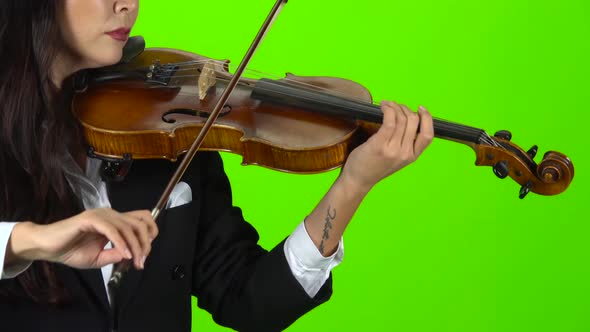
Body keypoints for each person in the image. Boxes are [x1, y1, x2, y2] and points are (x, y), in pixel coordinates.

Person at [0, 1, 433, 331]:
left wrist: (353, 184)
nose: (128, 5)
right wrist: (25, 240)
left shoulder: (168, 128)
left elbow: (248, 301)